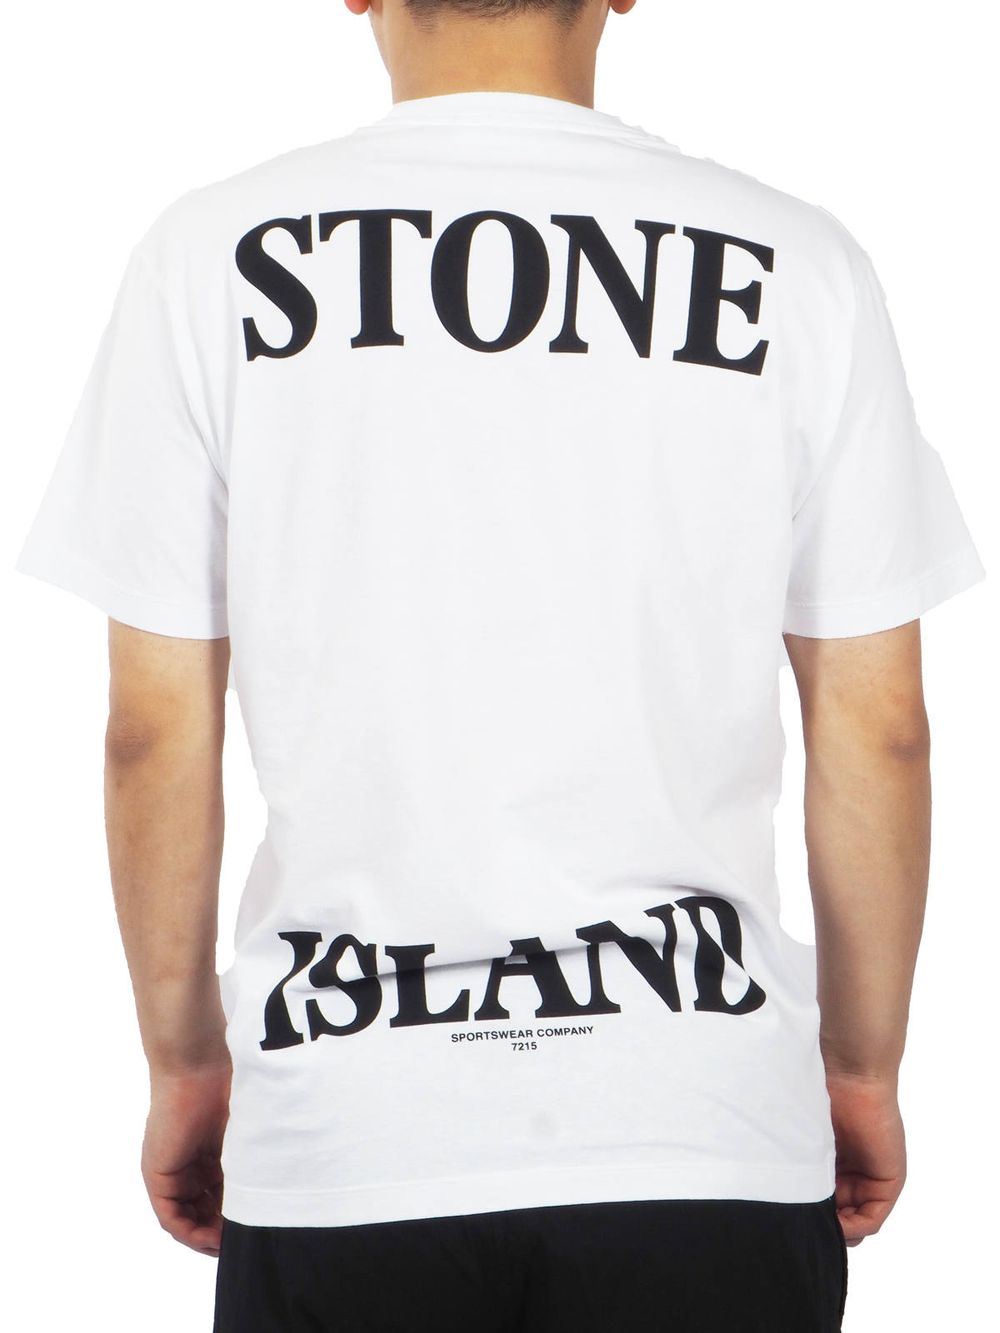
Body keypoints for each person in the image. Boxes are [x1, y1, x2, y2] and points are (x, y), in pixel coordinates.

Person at [13, 0, 986, 1329]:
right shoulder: (798, 264)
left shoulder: (209, 259)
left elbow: (153, 730)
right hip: (697, 1122)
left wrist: (186, 1062)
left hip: (351, 1133)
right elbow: (880, 730)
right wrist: (861, 1066)